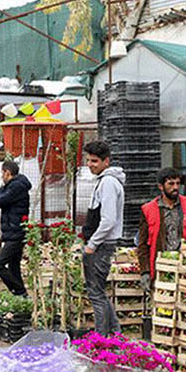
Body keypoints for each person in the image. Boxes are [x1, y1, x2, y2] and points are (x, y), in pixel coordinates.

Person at [136, 167, 186, 291]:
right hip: (161, 266)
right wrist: (145, 272)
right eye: (171, 184)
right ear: (161, 187)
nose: (176, 187)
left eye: (178, 183)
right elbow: (143, 244)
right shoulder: (148, 209)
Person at [82, 140, 125, 335]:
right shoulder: (105, 181)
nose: (90, 164)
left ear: (106, 161)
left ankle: (101, 339)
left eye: (95, 161)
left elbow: (108, 220)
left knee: (96, 294)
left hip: (102, 246)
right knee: (99, 292)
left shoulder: (108, 182)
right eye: (88, 160)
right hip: (103, 245)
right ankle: (115, 334)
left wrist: (92, 244)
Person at [0, 159, 31, 295]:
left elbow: (0, 200)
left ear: (7, 173)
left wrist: (2, 187)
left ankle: (19, 290)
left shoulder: (15, 187)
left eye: (2, 173)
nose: (1, 177)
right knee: (14, 267)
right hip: (14, 231)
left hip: (16, 233)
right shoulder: (16, 185)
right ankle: (22, 297)